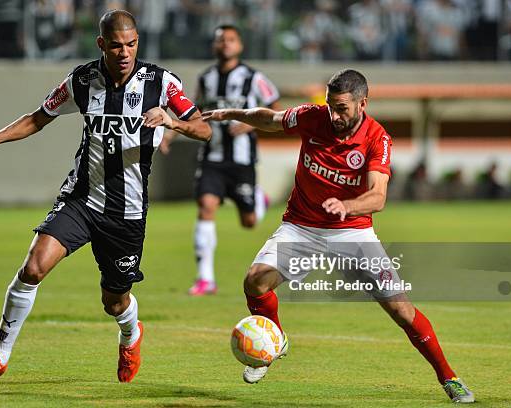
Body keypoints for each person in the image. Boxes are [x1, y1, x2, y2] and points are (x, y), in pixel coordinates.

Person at [0, 10, 211, 387]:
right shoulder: (82, 79)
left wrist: (172, 121)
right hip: (81, 198)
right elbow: (38, 117)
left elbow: (203, 129)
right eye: (116, 45)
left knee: (114, 300)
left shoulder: (162, 82)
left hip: (126, 212)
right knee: (33, 268)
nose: (125, 52)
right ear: (101, 45)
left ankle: (130, 334)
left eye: (131, 44)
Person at [202, 69, 475, 403]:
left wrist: (348, 205)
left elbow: (378, 197)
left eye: (342, 108)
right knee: (255, 280)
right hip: (301, 226)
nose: (334, 114)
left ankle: (450, 378)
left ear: (363, 103)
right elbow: (271, 119)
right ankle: (275, 341)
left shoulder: (377, 139)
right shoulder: (312, 117)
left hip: (352, 232)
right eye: (331, 105)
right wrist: (231, 113)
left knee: (402, 311)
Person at [162, 24, 281, 296]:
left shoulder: (254, 77)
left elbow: (275, 109)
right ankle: (206, 279)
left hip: (242, 160)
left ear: (239, 45)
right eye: (220, 40)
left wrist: (250, 125)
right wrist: (169, 135)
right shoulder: (207, 78)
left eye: (230, 40)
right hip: (211, 158)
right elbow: (195, 111)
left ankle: (257, 200)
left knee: (249, 221)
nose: (225, 44)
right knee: (206, 206)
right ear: (214, 46)